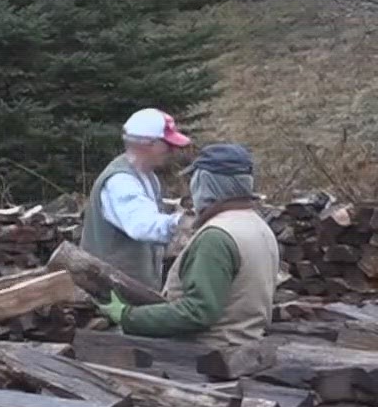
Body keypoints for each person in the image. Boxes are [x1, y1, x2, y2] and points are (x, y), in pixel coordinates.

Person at [97, 144, 278, 346]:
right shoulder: (257, 225)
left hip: (209, 354)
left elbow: (198, 311)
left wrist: (128, 316)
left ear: (205, 183)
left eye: (194, 179)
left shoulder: (216, 236)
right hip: (246, 344)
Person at [80, 108, 193, 291]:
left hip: (133, 292)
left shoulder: (148, 177)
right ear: (148, 144)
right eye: (167, 143)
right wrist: (181, 223)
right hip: (111, 295)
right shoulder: (120, 182)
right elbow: (141, 226)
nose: (172, 149)